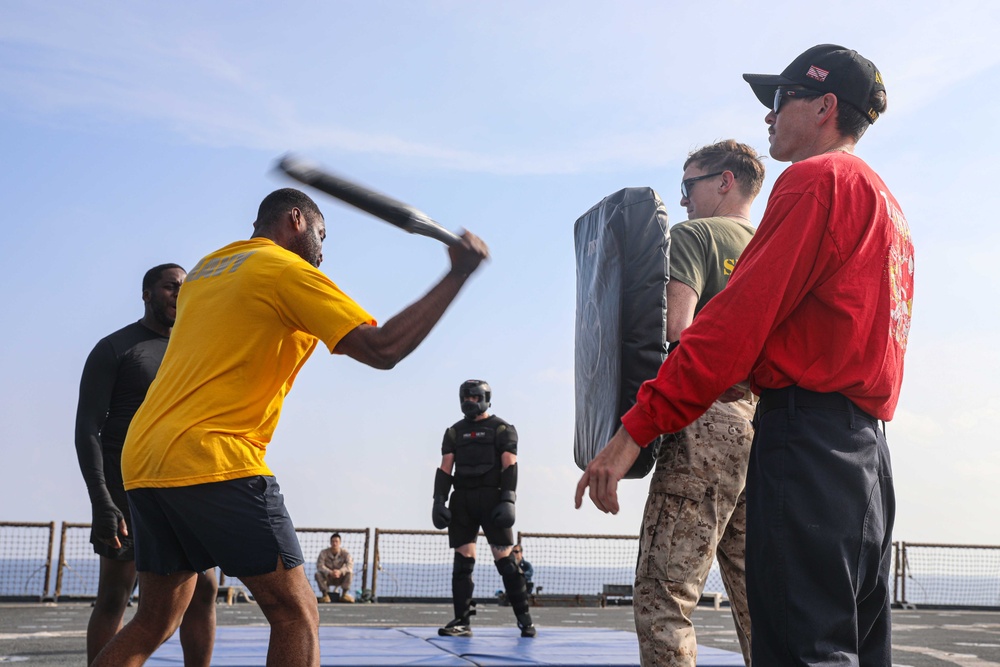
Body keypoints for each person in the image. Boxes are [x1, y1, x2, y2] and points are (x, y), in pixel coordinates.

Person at [575, 44, 913, 666]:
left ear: (824, 106)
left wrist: (633, 431)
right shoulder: (887, 205)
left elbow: (726, 330)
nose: (768, 116)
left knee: (793, 645)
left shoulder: (816, 182)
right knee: (848, 645)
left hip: (804, 439)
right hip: (865, 454)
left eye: (780, 100)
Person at [92, 187, 489, 667]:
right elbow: (383, 348)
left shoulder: (207, 270)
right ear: (296, 221)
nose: (323, 250)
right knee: (297, 613)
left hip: (144, 458)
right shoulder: (283, 269)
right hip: (213, 456)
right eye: (322, 236)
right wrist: (458, 273)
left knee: (154, 619)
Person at [632, 140, 764, 667]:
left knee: (664, 595)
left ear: (724, 181)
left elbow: (678, 331)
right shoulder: (772, 245)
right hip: (765, 426)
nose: (683, 199)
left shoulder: (694, 235)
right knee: (759, 599)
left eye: (689, 185)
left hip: (706, 419)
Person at [74, 264, 218, 666]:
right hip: (126, 486)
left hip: (183, 485)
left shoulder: (194, 347)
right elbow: (88, 428)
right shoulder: (114, 348)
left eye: (185, 289)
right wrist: (102, 500)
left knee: (204, 589)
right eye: (171, 287)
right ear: (147, 294)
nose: (179, 294)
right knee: (116, 593)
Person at [432, 380, 536, 638]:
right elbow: (446, 468)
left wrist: (508, 500)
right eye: (465, 398)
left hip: (493, 500)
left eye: (474, 398)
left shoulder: (502, 429)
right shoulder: (454, 432)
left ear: (485, 398)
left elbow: (509, 465)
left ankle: (525, 620)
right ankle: (462, 621)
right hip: (463, 501)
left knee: (507, 563)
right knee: (462, 563)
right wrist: (438, 501)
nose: (470, 402)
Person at [315, 533, 354, 603]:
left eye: (336, 542)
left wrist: (340, 571)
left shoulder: (345, 553)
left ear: (340, 543)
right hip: (328, 577)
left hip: (340, 577)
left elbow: (350, 565)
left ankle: (344, 595)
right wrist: (330, 572)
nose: (334, 543)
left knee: (350, 573)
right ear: (330, 542)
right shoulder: (323, 553)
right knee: (318, 574)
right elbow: (319, 565)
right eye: (333, 541)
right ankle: (325, 595)